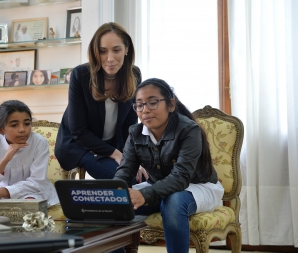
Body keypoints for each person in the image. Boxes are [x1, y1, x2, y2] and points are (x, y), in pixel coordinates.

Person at [113, 78, 224, 253]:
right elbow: (125, 170)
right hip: (158, 185)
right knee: (118, 203)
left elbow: (181, 178)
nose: (145, 110)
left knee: (173, 201)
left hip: (198, 186)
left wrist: (145, 194)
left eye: (153, 102)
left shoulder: (189, 130)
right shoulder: (135, 133)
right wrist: (117, 192)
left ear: (171, 104)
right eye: (139, 105)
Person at [55, 22, 144, 181]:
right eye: (103, 51)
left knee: (145, 177)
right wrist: (117, 155)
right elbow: (78, 131)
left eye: (116, 50)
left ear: (126, 49)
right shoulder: (81, 75)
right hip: (79, 146)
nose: (110, 58)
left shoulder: (134, 75)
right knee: (126, 178)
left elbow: (129, 126)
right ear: (96, 52)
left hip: (112, 145)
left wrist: (131, 158)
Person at [0, 100, 59, 205]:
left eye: (27, 124)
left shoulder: (39, 143)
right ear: (1, 130)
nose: (22, 129)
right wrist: (5, 159)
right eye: (14, 125)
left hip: (34, 192)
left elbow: (37, 182)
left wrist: (5, 191)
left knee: (29, 205)